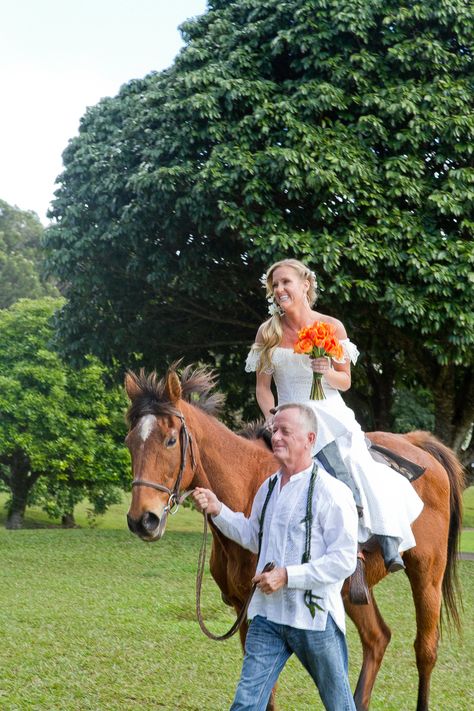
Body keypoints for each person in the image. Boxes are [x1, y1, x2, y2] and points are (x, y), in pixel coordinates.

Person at [245, 258, 424, 583]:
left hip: (326, 410)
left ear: (305, 285)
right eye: (275, 284)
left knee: (348, 464)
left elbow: (345, 381)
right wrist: (272, 418)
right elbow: (262, 388)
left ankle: (377, 537)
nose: (280, 289)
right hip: (286, 416)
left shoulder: (331, 327)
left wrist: (327, 369)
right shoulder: (267, 331)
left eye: (286, 282)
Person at [192, 404, 359, 711]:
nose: (276, 436)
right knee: (246, 704)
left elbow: (344, 560)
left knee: (339, 705)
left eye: (285, 431)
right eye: (275, 430)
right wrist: (218, 509)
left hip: (314, 620)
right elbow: (252, 535)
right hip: (268, 618)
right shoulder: (268, 487)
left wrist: (287, 576)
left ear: (309, 439)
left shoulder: (333, 492)